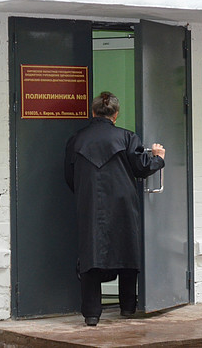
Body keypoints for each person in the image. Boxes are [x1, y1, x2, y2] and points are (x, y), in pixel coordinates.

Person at [64, 91, 165, 327]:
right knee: (127, 249)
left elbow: (69, 176)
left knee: (91, 253)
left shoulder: (76, 139)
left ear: (93, 112)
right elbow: (141, 168)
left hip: (89, 202)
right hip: (123, 203)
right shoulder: (127, 137)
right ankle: (128, 306)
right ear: (116, 114)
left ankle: (92, 313)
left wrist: (84, 194)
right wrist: (158, 158)